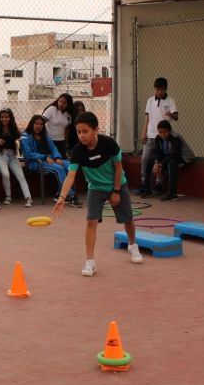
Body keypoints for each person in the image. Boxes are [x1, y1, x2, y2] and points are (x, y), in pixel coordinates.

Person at [53, 112, 143, 276]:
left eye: (85, 131)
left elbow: (118, 167)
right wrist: (62, 197)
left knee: (128, 219)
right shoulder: (78, 151)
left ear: (96, 130)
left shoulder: (109, 144)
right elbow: (70, 176)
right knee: (91, 222)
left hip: (117, 184)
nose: (81, 135)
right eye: (78, 132)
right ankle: (90, 262)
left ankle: (132, 245)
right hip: (95, 188)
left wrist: (116, 191)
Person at [20, 115, 82, 207]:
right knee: (58, 169)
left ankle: (59, 193)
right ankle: (71, 196)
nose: (38, 126)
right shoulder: (25, 137)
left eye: (41, 124)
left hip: (49, 160)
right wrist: (44, 157)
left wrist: (57, 157)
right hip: (36, 163)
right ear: (31, 124)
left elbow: (53, 148)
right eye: (36, 123)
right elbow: (28, 154)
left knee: (70, 166)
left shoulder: (45, 135)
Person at [134, 77, 178, 195]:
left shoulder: (170, 100)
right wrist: (144, 133)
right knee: (145, 159)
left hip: (163, 137)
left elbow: (176, 117)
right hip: (150, 134)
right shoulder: (150, 101)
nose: (160, 92)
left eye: (162, 90)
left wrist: (171, 115)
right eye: (158, 89)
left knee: (159, 159)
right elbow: (147, 118)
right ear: (155, 89)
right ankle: (144, 183)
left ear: (166, 89)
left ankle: (159, 183)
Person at [0, 107, 33, 207]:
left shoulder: (14, 129)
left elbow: (20, 141)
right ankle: (8, 196)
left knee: (21, 176)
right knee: (5, 174)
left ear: (10, 118)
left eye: (7, 117)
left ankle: (28, 198)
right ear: (0, 118)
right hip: (1, 155)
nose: (4, 119)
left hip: (13, 156)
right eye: (2, 117)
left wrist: (18, 142)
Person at [140, 120, 184, 202]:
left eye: (165, 132)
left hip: (182, 158)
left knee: (172, 163)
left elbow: (174, 154)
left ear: (170, 131)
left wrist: (161, 165)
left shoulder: (176, 138)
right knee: (149, 161)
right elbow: (156, 152)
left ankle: (172, 194)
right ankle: (148, 190)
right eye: (160, 132)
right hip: (168, 157)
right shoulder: (158, 138)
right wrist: (156, 162)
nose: (163, 134)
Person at [42, 93, 73, 157]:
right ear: (57, 101)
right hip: (49, 141)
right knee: (52, 161)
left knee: (62, 160)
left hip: (61, 142)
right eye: (60, 101)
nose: (61, 104)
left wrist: (66, 143)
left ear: (68, 104)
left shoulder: (69, 114)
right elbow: (41, 122)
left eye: (64, 103)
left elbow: (67, 129)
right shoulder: (52, 109)